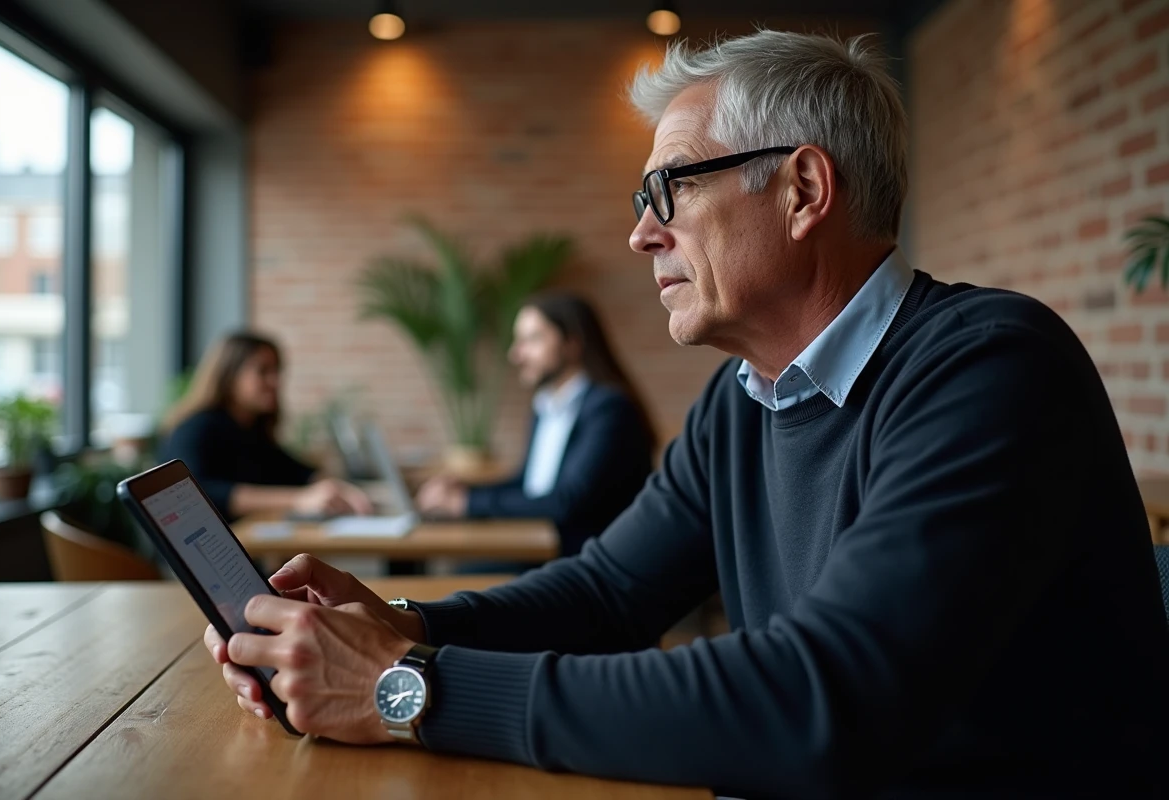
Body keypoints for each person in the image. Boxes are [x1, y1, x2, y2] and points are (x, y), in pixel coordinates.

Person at [202, 31, 1169, 797]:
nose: (638, 232)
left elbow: (822, 700)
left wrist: (406, 689)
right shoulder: (741, 400)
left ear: (801, 190)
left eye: (668, 188)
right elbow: (606, 595)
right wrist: (398, 624)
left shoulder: (990, 368)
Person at [415, 292, 656, 557]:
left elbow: (567, 501)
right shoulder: (545, 406)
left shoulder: (608, 409)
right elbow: (528, 484)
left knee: (459, 578)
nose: (516, 354)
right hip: (546, 549)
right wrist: (463, 491)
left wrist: (467, 503)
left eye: (531, 340)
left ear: (572, 343)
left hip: (587, 561)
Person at [161, 332, 372, 520]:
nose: (275, 381)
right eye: (263, 371)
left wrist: (339, 488)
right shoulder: (196, 427)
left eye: (277, 371)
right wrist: (298, 499)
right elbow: (201, 492)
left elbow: (295, 470)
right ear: (229, 374)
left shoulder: (252, 428)